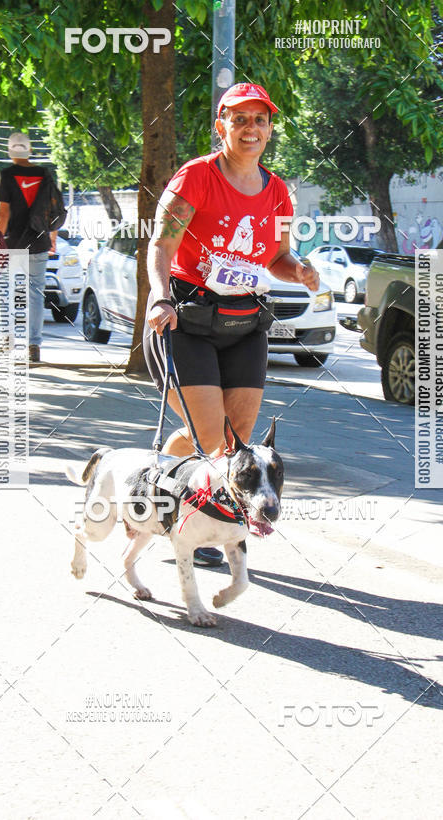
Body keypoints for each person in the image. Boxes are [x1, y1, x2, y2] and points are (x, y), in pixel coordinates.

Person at [144, 82, 319, 567]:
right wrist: (160, 298)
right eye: (239, 119)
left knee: (233, 437)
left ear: (269, 129)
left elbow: (280, 257)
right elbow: (160, 246)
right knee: (214, 439)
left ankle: (155, 480)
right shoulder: (196, 177)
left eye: (260, 120)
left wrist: (299, 269)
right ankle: (201, 530)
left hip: (244, 321)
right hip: (186, 319)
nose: (251, 129)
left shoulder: (278, 190)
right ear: (222, 125)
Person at [0, 132, 56, 363]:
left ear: (10, 152)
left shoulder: (5, 175)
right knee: (35, 295)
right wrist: (52, 237)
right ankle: (33, 346)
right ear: (29, 150)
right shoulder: (44, 174)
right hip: (39, 242)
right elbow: (53, 209)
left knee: (6, 294)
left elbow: (4, 214)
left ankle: (6, 343)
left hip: (11, 243)